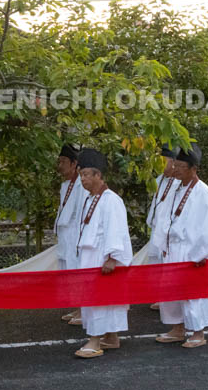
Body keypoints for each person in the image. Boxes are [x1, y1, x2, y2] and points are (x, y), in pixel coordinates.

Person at [152, 144, 208, 348]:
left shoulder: (203, 193)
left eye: (181, 166)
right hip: (173, 248)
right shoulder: (174, 188)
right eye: (175, 164)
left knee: (193, 293)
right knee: (172, 291)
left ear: (193, 169)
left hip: (192, 251)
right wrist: (163, 240)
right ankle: (177, 328)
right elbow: (164, 216)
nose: (175, 169)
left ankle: (198, 332)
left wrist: (205, 254)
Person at [72, 148, 134, 359]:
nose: (83, 179)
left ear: (98, 175)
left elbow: (115, 230)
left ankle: (95, 339)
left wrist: (112, 257)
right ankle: (111, 336)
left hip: (103, 259)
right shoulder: (90, 199)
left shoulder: (111, 200)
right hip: (90, 257)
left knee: (99, 298)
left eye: (87, 174)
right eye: (81, 175)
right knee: (100, 298)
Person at [55, 143, 90, 324]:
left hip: (75, 235)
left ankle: (83, 310)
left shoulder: (81, 185)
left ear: (74, 163)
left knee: (77, 272)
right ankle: (77, 307)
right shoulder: (65, 185)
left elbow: (82, 214)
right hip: (65, 236)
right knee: (68, 273)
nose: (59, 165)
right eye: (59, 161)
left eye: (63, 161)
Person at [145, 145, 176, 311]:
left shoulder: (178, 183)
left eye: (164, 162)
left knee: (165, 262)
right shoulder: (158, 180)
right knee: (155, 260)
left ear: (173, 163)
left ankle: (167, 296)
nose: (161, 165)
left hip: (167, 229)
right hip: (156, 226)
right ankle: (157, 294)